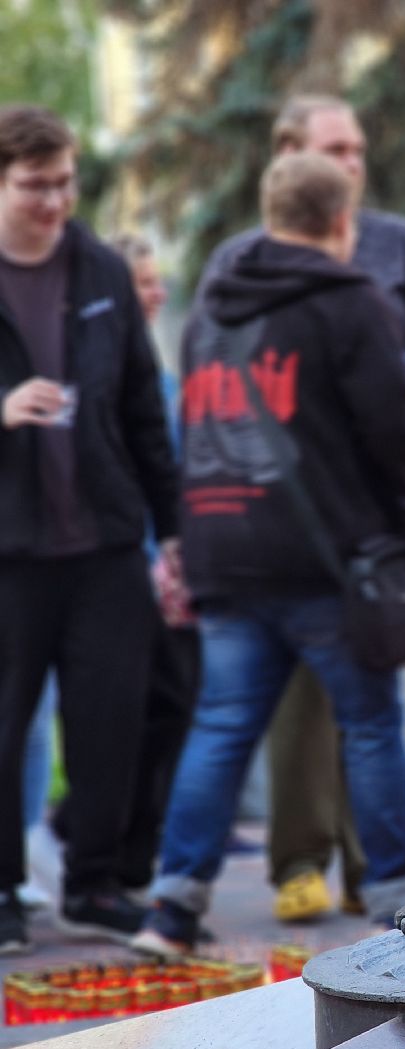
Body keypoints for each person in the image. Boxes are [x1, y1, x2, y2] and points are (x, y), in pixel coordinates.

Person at [132, 152, 405, 956]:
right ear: (343, 223)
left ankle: (171, 909)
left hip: (222, 546)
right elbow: (396, 424)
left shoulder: (210, 315)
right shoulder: (352, 304)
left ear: (271, 218)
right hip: (325, 559)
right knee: (372, 723)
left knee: (221, 724)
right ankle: (395, 908)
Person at [201, 94, 405, 922]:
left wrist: (389, 382)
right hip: (283, 507)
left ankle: (375, 868)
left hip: (380, 504)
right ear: (289, 156)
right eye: (335, 148)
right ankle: (298, 860)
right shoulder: (242, 255)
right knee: (301, 703)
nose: (353, 162)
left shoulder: (399, 243)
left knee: (373, 689)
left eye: (358, 146)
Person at [0, 105, 179, 953]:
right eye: (36, 185)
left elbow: (145, 408)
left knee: (112, 715)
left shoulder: (102, 269)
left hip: (106, 540)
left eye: (66, 181)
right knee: (5, 723)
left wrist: (172, 530)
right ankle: (3, 892)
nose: (55, 201)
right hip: (11, 552)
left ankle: (95, 883)